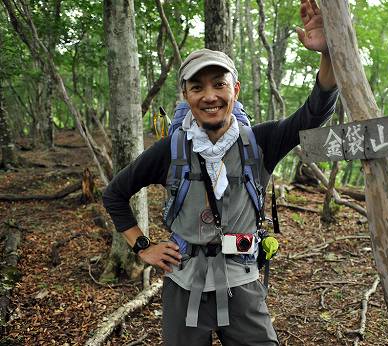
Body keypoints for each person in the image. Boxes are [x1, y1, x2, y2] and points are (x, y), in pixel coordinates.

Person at [102, 0, 338, 344]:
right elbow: (115, 195)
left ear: (235, 90)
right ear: (186, 94)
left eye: (218, 84)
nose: (209, 96)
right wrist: (142, 247)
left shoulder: (261, 141)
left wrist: (327, 52)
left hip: (240, 280)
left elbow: (314, 115)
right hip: (183, 284)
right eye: (197, 87)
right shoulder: (170, 150)